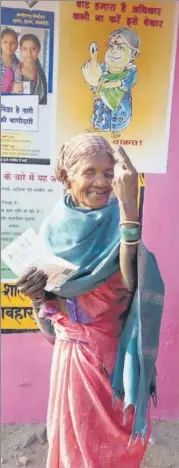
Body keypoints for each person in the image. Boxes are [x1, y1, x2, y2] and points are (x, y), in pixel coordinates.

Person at [16, 134, 164, 467]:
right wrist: (38, 297)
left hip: (115, 362)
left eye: (109, 173)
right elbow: (52, 330)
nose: (101, 182)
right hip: (73, 365)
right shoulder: (52, 234)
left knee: (115, 451)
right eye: (90, 171)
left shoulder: (120, 222)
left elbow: (133, 281)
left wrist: (130, 211)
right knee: (75, 450)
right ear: (67, 176)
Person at [82, 28, 140, 133]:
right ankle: (98, 126)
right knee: (100, 112)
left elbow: (124, 83)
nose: (113, 51)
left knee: (117, 116)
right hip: (102, 98)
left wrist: (106, 85)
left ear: (133, 54)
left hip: (119, 101)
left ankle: (116, 130)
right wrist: (93, 59)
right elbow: (96, 77)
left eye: (121, 47)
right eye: (111, 46)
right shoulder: (104, 67)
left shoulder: (130, 71)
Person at [18, 33, 47, 104]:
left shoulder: (41, 75)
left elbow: (44, 99)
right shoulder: (13, 71)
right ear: (20, 50)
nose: (29, 53)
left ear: (38, 50)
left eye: (33, 49)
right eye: (25, 49)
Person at [1, 28, 22, 94]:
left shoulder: (20, 67)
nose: (8, 45)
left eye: (12, 42)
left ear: (17, 45)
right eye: (5, 42)